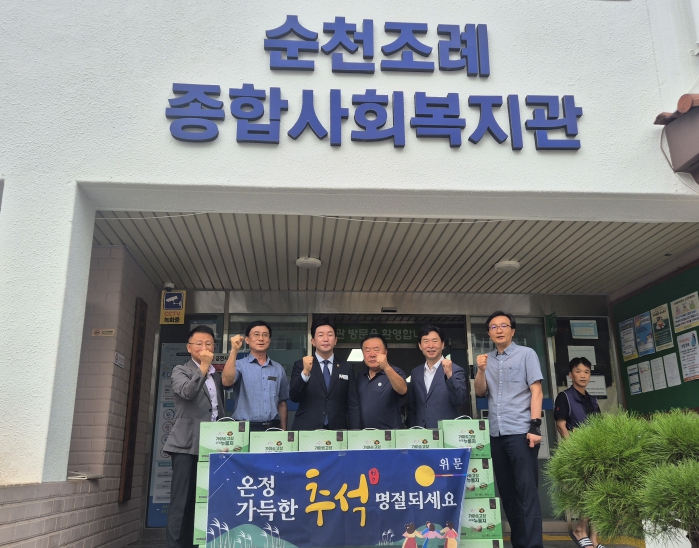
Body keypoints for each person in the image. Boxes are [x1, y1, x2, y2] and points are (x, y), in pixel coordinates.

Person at [475, 311, 544, 548]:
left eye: (504, 325)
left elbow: (536, 390)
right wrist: (481, 370)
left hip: (522, 432)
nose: (499, 330)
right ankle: (520, 543)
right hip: (496, 434)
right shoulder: (487, 360)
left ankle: (533, 545)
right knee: (508, 494)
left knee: (527, 493)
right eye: (494, 327)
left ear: (513, 330)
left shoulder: (527, 354)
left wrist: (535, 425)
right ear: (489, 333)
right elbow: (480, 391)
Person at [164, 325, 235, 548]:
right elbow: (188, 392)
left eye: (208, 344)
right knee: (181, 501)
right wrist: (203, 367)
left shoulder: (216, 375)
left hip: (211, 446)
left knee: (203, 500)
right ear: (189, 347)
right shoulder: (180, 370)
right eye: (199, 343)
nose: (204, 347)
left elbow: (217, 409)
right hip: (186, 444)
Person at [554, 357, 604, 548]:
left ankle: (594, 538)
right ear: (570, 374)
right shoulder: (564, 397)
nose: (583, 375)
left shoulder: (592, 400)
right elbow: (561, 426)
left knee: (598, 492)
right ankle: (580, 530)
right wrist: (574, 449)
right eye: (578, 371)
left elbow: (599, 426)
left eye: (586, 372)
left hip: (595, 451)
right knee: (586, 492)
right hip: (577, 452)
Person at [289, 316, 360, 430]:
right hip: (307, 429)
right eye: (320, 335)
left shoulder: (346, 368)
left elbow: (353, 405)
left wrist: (355, 433)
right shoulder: (300, 365)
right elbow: (294, 397)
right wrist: (305, 372)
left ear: (335, 340)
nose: (325, 339)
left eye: (330, 335)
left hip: (337, 429)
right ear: (313, 341)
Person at [221, 320, 290, 432]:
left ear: (269, 340)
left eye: (265, 335)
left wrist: (283, 432)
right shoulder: (239, 365)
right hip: (245, 428)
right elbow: (226, 382)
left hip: (273, 428)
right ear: (247, 340)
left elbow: (282, 404)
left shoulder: (278, 368)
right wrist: (234, 350)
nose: (261, 338)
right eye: (256, 334)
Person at [407, 325, 469, 428]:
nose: (430, 346)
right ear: (420, 346)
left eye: (435, 341)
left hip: (445, 431)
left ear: (443, 344)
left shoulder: (455, 369)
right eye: (426, 341)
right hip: (421, 433)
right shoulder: (415, 373)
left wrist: (449, 375)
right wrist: (413, 429)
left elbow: (459, 400)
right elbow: (412, 407)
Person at [356, 334, 408, 429]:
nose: (372, 354)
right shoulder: (360, 376)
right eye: (367, 350)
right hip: (364, 434)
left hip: (389, 435)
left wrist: (386, 367)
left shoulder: (395, 371)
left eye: (376, 350)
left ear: (386, 352)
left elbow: (403, 390)